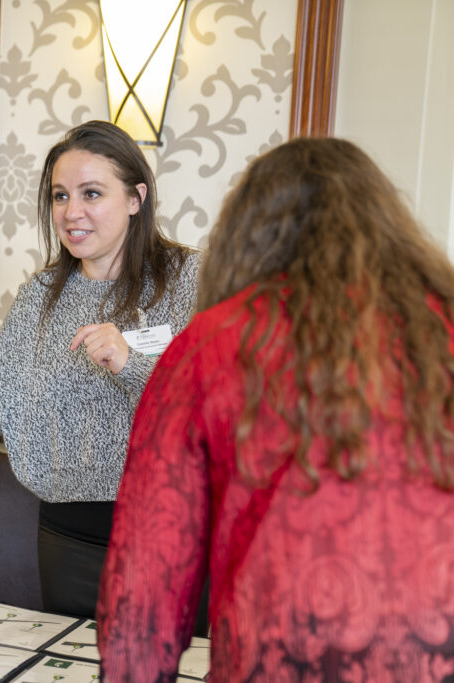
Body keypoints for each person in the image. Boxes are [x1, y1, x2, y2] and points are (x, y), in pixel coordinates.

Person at [97, 137, 454, 680]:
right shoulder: (444, 332)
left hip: (274, 658)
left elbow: (146, 584)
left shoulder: (208, 347)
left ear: (248, 234)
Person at [0, 120, 200, 617]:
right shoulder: (42, 295)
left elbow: (222, 406)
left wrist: (133, 364)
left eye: (92, 193)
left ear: (137, 197)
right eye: (60, 196)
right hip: (66, 542)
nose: (72, 213)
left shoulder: (190, 280)